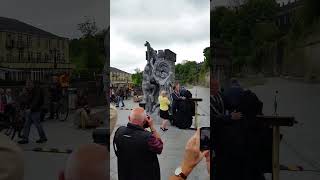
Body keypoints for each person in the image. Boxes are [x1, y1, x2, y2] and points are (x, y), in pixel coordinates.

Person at [113, 107, 163, 180]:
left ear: (129, 118)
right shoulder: (148, 137)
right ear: (145, 122)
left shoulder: (119, 131)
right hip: (145, 175)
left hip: (125, 174)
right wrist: (152, 127)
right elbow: (159, 147)